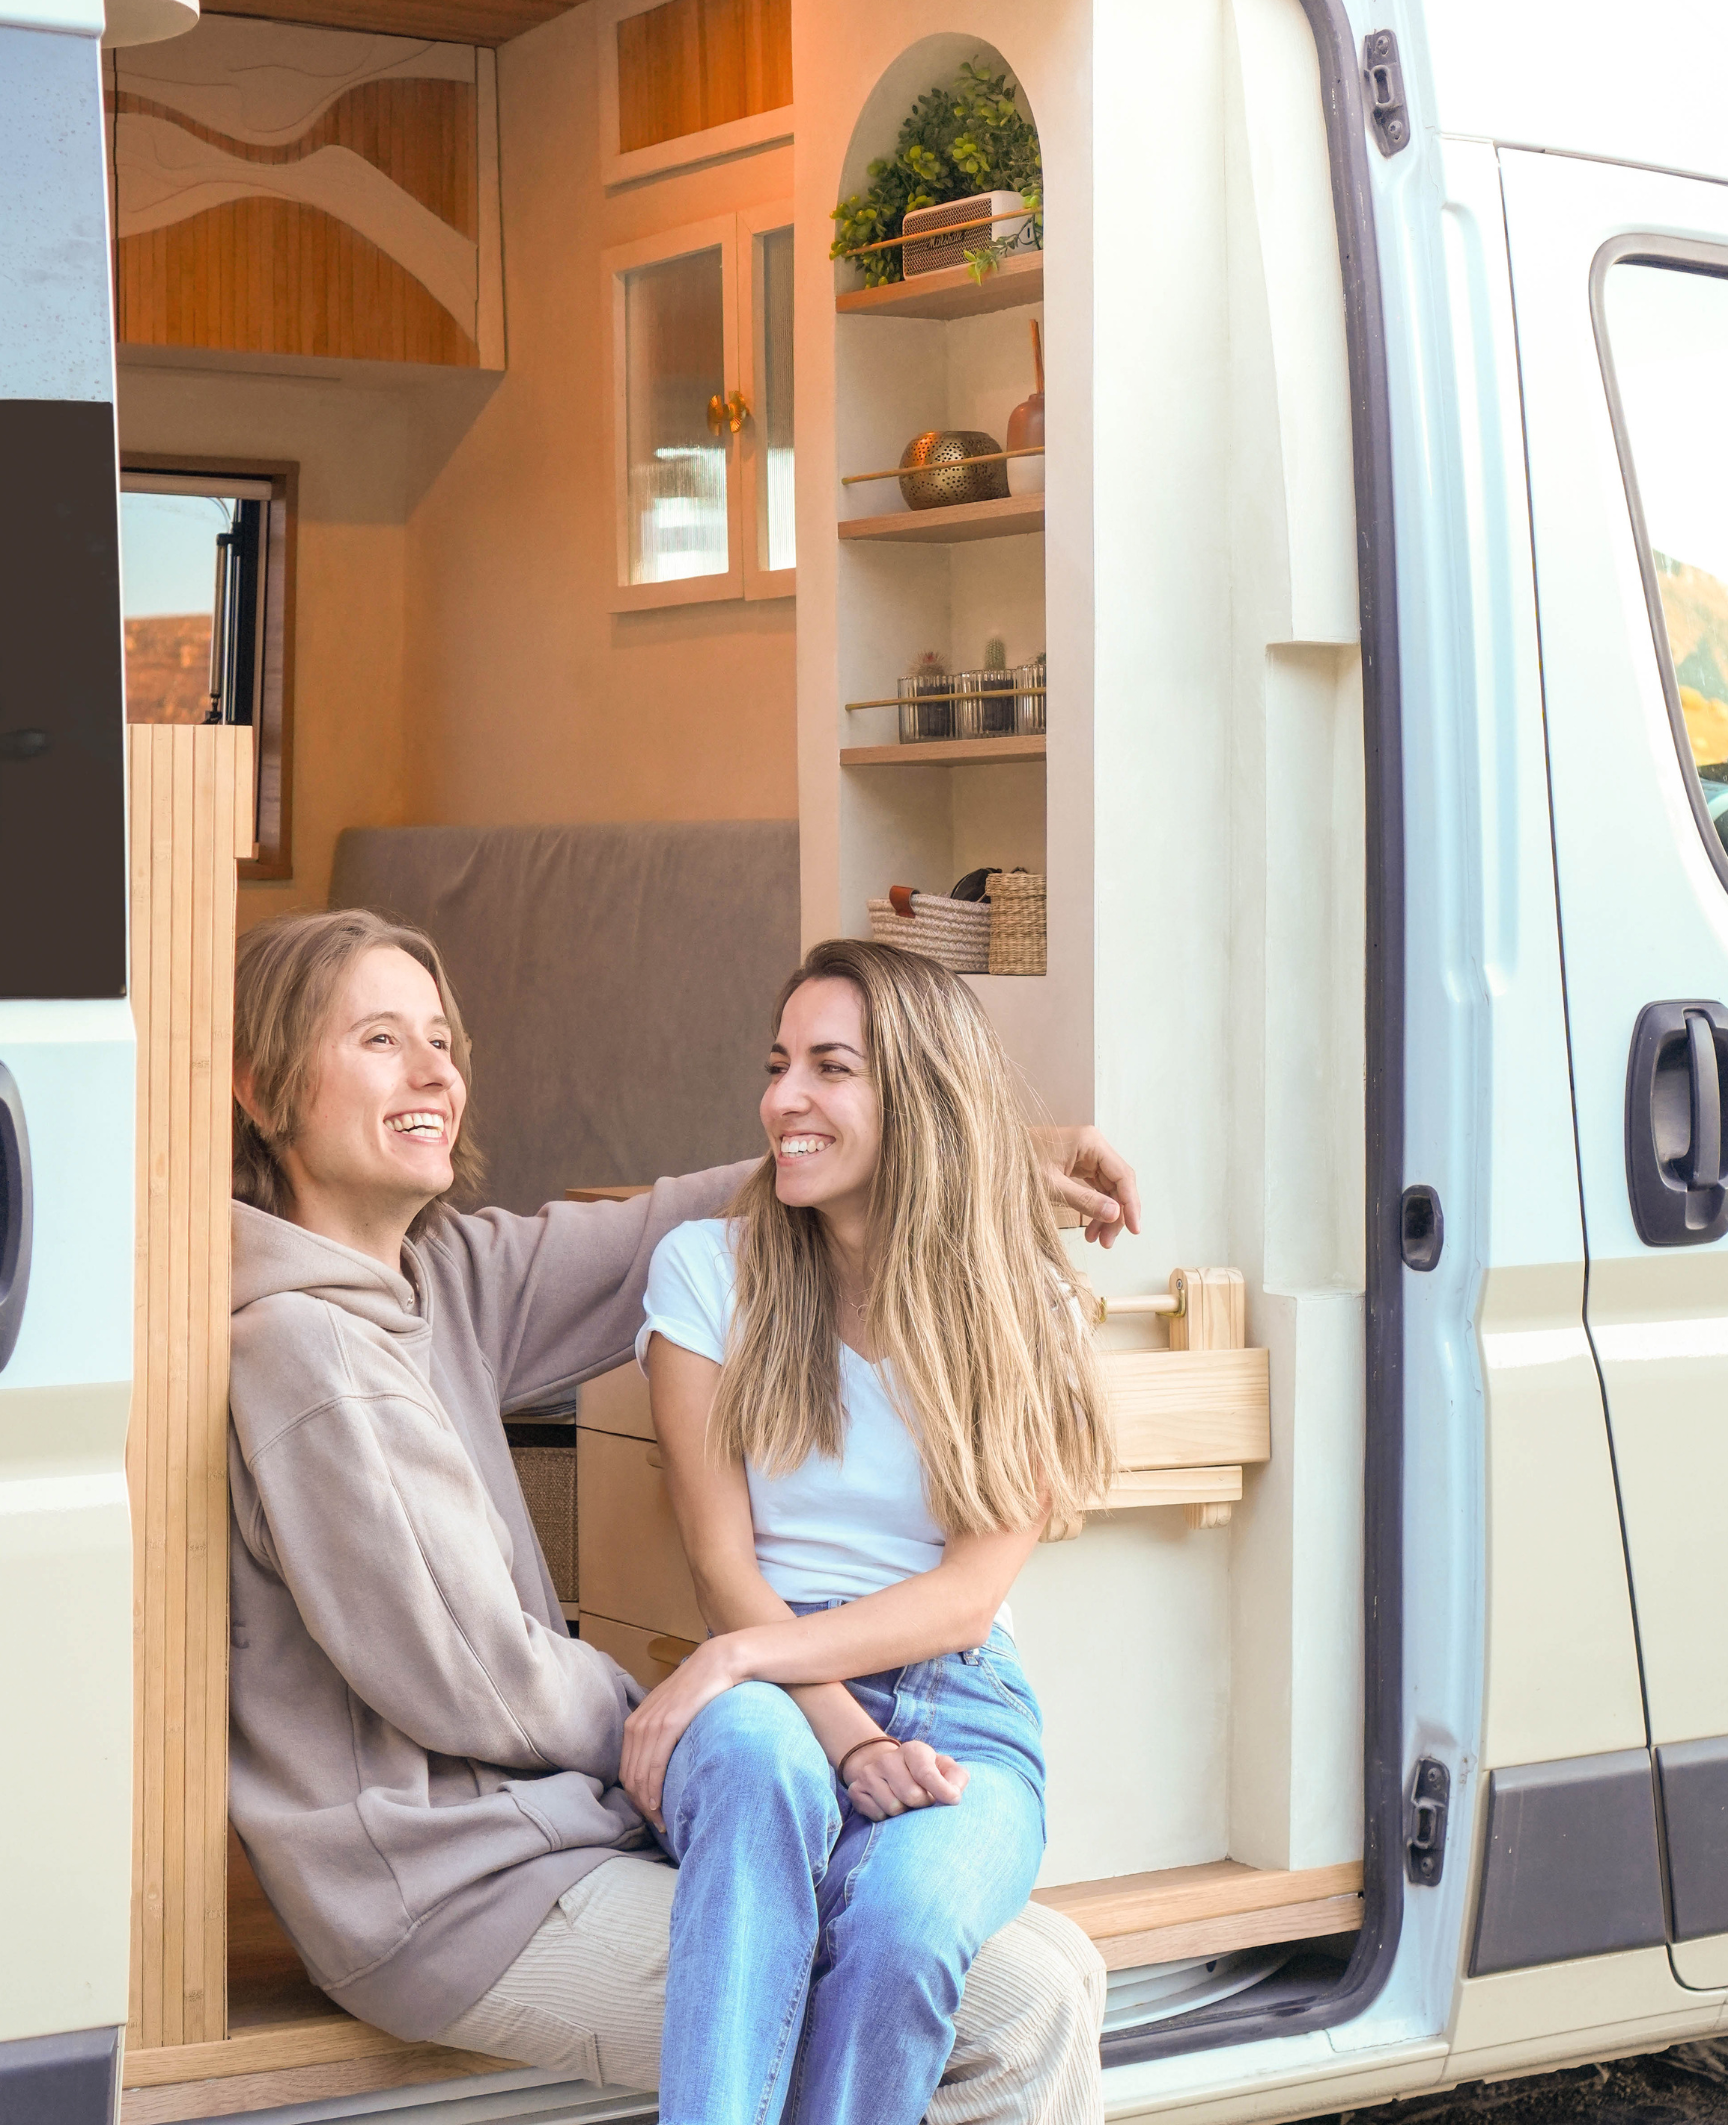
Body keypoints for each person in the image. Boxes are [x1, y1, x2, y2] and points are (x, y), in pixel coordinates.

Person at [225, 908, 1140, 2118]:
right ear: (261, 1086)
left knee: (1056, 1973)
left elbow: (683, 1217)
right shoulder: (303, 1344)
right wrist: (677, 1701)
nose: (436, 1071)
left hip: (541, 1835)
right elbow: (474, 1676)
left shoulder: (438, 1276)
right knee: (1023, 2008)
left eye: (441, 1039)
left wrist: (974, 1148)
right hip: (445, 1888)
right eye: (381, 1040)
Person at [619, 938, 1115, 2125]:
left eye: (829, 1068)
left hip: (963, 1706)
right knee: (751, 1761)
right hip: (773, 1700)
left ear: (919, 1102)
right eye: (779, 1063)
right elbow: (722, 1566)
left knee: (904, 1924)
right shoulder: (707, 1275)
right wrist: (836, 1729)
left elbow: (962, 1597)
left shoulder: (1022, 1301)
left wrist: (741, 1652)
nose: (783, 1100)